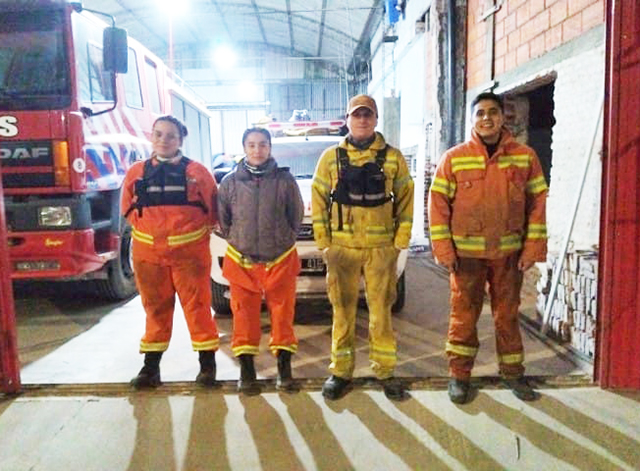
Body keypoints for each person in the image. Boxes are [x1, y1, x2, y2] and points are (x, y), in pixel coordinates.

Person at [428, 91, 549, 404]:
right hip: (465, 259)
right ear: (473, 119)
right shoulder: (454, 158)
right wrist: (444, 250)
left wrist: (531, 250)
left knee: (507, 316)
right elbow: (438, 206)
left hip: (508, 256)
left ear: (503, 117)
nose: (486, 118)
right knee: (463, 317)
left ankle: (513, 373)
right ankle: (459, 376)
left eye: (492, 112)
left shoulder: (525, 157)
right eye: (480, 113)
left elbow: (538, 204)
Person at [311, 94, 414, 401]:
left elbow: (406, 201)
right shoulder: (330, 157)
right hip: (342, 250)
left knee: (381, 313)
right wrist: (325, 244)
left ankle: (385, 371)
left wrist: (399, 243)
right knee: (342, 312)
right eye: (357, 115)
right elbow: (317, 201)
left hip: (381, 249)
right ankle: (341, 372)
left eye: (368, 114)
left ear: (376, 119)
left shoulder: (394, 157)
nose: (362, 120)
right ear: (348, 119)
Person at [122, 115, 220, 389]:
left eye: (170, 136)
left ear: (180, 140)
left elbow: (213, 212)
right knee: (155, 310)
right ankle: (150, 370)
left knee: (198, 308)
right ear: (151, 137)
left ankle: (207, 367)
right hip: (149, 259)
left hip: (190, 258)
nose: (164, 140)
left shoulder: (198, 173)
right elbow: (127, 209)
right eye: (158, 134)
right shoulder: (135, 173)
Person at [217, 127, 304, 395]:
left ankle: (284, 369)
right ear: (244, 147)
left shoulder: (285, 181)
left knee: (282, 315)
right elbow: (224, 219)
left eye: (263, 144)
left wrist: (285, 239)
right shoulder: (229, 182)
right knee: (243, 316)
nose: (257, 150)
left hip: (279, 260)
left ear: (270, 147)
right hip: (242, 262)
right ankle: (247, 371)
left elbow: (296, 215)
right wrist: (238, 240)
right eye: (252, 145)